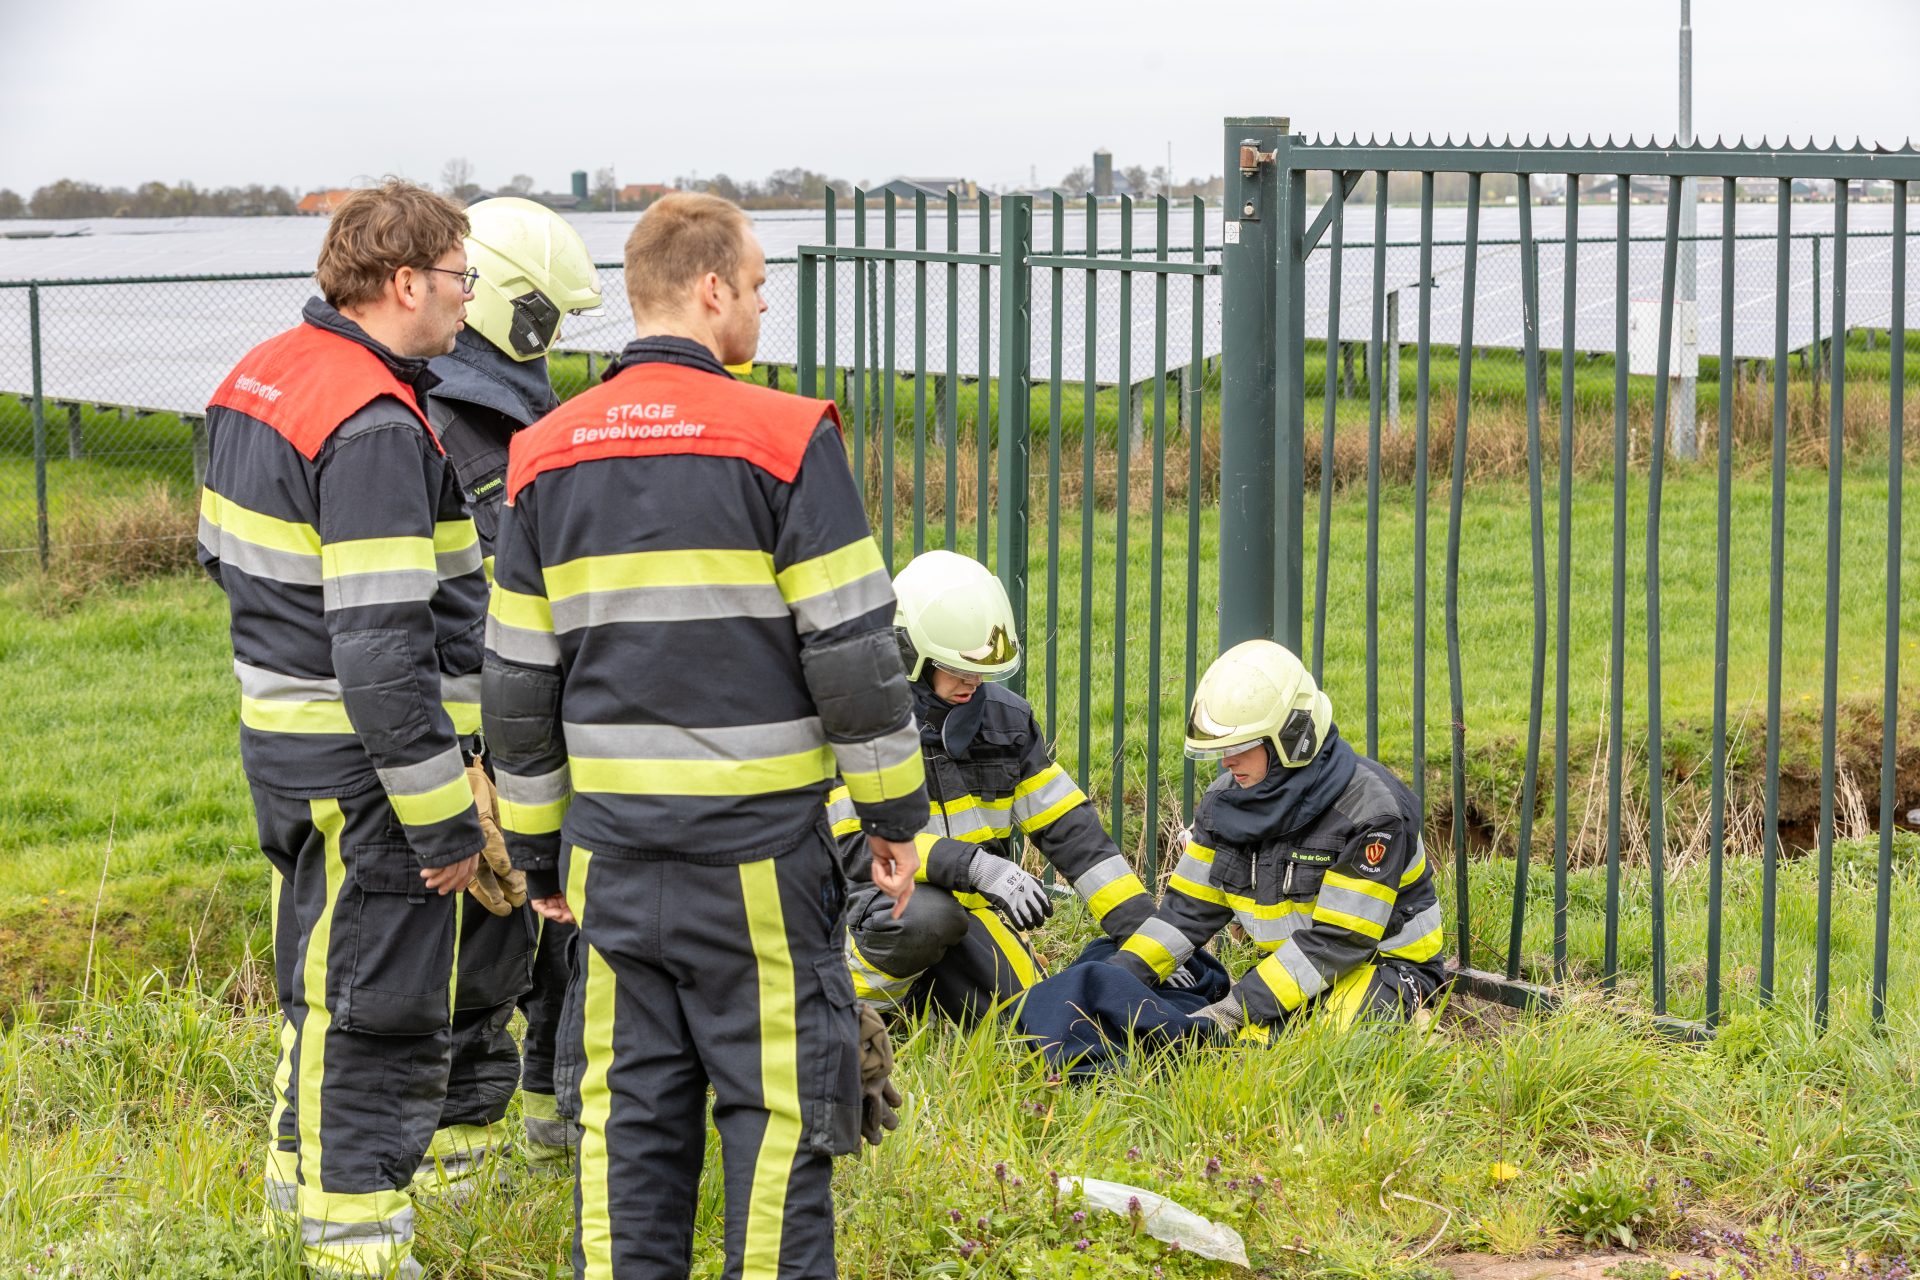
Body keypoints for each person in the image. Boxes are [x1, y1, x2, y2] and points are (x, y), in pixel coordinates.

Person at [481, 191, 925, 1280]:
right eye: (761, 284)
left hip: (610, 862)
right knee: (777, 1120)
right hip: (760, 862)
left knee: (627, 1128)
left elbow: (517, 686)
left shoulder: (542, 453)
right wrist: (894, 815)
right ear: (711, 289)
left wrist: (539, 854)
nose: (765, 306)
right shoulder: (784, 439)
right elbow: (856, 649)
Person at [197, 179, 488, 1278]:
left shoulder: (259, 375)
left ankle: (294, 1197)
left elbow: (222, 555)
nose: (467, 301)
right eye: (460, 278)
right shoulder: (371, 425)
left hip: (280, 735)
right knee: (379, 1002)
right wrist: (445, 820)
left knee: (319, 984)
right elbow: (380, 651)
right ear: (405, 280)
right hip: (368, 766)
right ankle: (356, 1243)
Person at [423, 196, 604, 1180]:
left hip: (534, 732)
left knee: (561, 938)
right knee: (480, 954)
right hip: (464, 746)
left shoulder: (510, 416)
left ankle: (549, 1130)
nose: (552, 341)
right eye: (542, 318)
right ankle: (458, 1162)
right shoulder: (442, 422)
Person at [830, 549, 1156, 1020]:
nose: (973, 682)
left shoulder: (1007, 723)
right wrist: (974, 866)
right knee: (925, 918)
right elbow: (856, 845)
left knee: (1035, 1018)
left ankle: (922, 995)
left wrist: (1145, 934)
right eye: (958, 669)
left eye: (981, 670)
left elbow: (1074, 835)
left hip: (967, 915)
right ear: (909, 654)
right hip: (866, 907)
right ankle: (851, 1012)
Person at [1105, 640, 1445, 1040]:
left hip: (1385, 969)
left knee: (1297, 1044)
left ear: (1291, 738)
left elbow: (1340, 941)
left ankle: (1414, 1022)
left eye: (1239, 747)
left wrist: (1235, 1008)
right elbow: (1185, 914)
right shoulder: (1223, 804)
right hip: (1295, 970)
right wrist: (1116, 979)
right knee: (1220, 1040)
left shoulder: (1372, 814)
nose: (1226, 761)